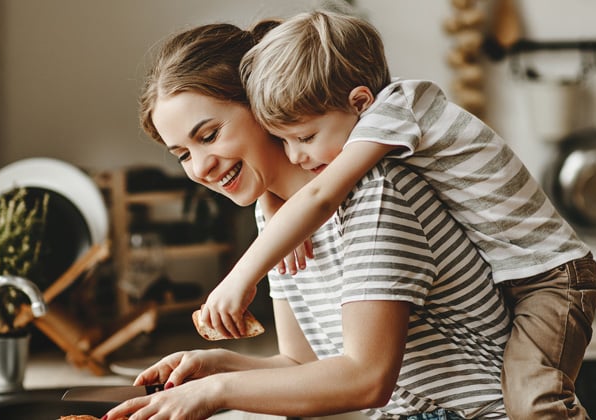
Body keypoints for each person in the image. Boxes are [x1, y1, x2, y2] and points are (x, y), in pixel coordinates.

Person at [199, 10, 596, 420]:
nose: (296, 156)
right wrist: (271, 200)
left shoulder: (394, 116)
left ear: (360, 102)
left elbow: (320, 196)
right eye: (282, 142)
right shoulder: (382, 119)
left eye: (304, 138)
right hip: (518, 275)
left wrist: (240, 277)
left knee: (535, 399)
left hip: (552, 277)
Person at [104, 19, 511, 420]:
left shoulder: (374, 193)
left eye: (209, 136)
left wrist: (217, 392)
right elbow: (301, 365)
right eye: (183, 155)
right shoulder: (277, 220)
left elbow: (366, 379)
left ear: (261, 103)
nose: (201, 168)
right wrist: (216, 367)